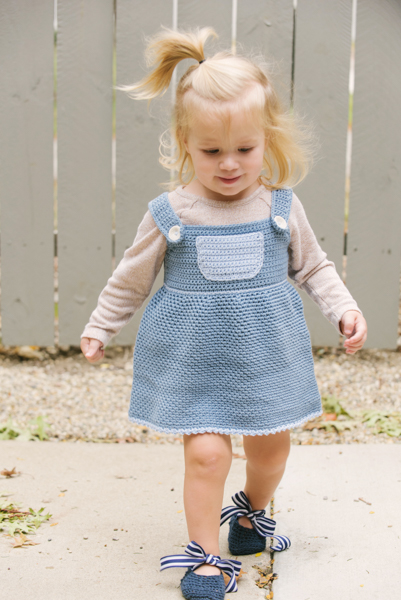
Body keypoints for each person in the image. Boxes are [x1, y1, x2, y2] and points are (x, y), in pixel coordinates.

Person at [80, 27, 367, 600]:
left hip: (266, 356)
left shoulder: (281, 207)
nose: (230, 164)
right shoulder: (171, 212)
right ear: (186, 143)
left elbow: (314, 268)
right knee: (208, 455)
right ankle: (205, 557)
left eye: (245, 149)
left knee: (270, 450)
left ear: (268, 139)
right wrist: (99, 324)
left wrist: (344, 308)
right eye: (212, 152)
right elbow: (131, 278)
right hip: (196, 360)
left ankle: (250, 514)